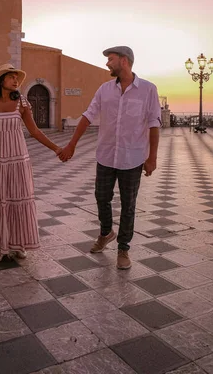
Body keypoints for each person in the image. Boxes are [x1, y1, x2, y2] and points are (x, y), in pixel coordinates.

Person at [59, 46, 161, 270]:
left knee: (128, 205)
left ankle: (123, 248)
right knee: (101, 197)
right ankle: (106, 232)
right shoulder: (104, 90)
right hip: (105, 156)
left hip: (132, 158)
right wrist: (71, 144)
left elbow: (154, 123)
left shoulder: (148, 90)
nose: (107, 64)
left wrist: (152, 157)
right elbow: (88, 116)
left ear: (124, 61)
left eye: (111, 60)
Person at [0, 63, 62, 263]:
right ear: (2, 80)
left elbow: (34, 131)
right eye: (12, 77)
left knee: (17, 200)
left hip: (17, 159)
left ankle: (18, 244)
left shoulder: (22, 103)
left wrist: (56, 148)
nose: (16, 81)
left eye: (17, 78)